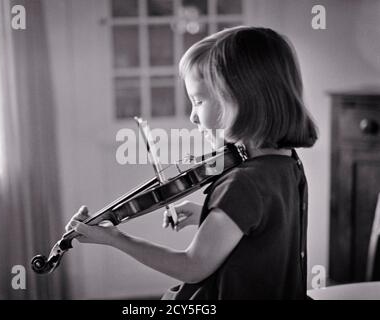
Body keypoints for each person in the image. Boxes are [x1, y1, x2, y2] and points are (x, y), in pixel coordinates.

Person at [65, 26, 318, 300]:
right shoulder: (287, 164)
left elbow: (192, 267)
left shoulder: (243, 182)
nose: (193, 117)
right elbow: (269, 230)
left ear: (239, 100)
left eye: (198, 101)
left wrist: (117, 239)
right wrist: (207, 215)